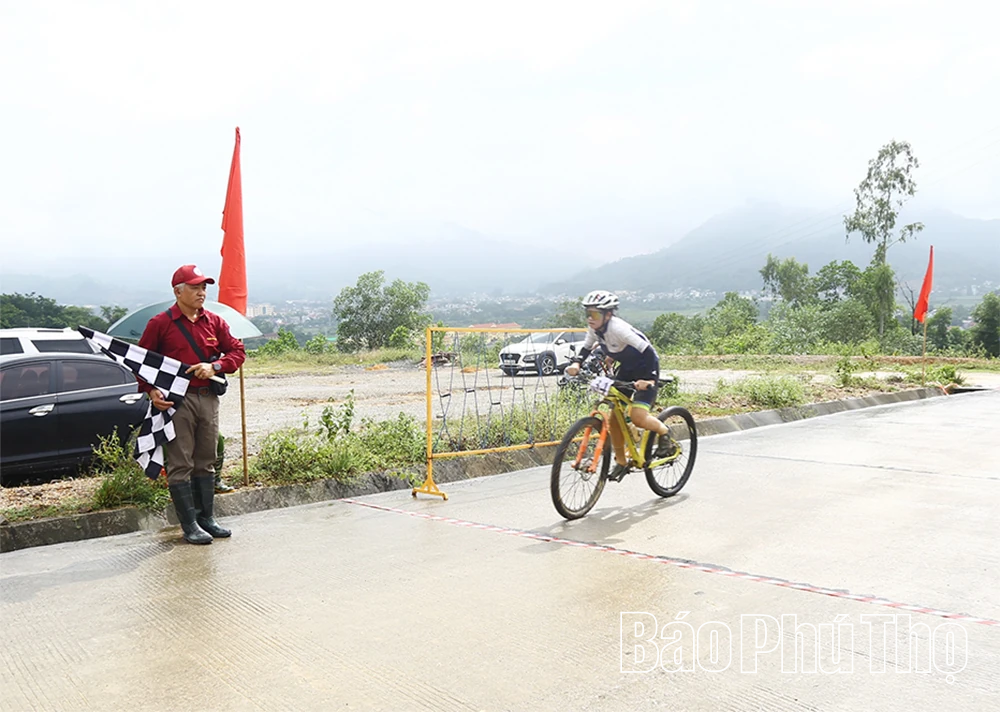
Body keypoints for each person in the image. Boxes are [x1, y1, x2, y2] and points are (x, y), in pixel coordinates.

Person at [138, 265, 246, 544]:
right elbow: (142, 364)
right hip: (177, 402)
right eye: (196, 287)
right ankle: (189, 525)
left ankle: (207, 518)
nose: (202, 292)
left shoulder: (214, 322)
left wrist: (216, 366)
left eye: (204, 287)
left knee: (206, 461)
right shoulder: (160, 324)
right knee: (180, 463)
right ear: (178, 291)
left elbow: (237, 351)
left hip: (207, 399)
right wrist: (151, 392)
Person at [565, 290, 675, 481]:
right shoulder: (595, 328)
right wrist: (576, 363)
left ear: (608, 315)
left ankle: (664, 433)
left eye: (595, 314)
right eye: (588, 314)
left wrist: (648, 380)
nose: (590, 319)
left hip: (646, 369)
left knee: (638, 417)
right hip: (627, 369)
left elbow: (648, 352)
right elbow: (586, 346)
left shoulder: (618, 328)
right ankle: (622, 462)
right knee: (614, 418)